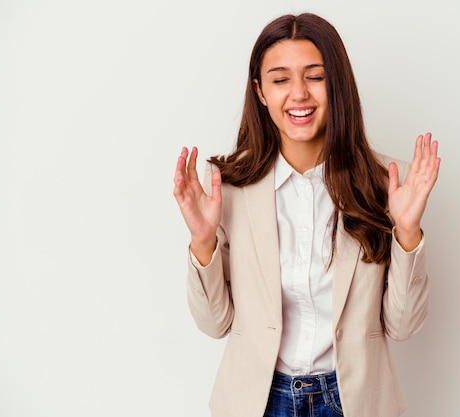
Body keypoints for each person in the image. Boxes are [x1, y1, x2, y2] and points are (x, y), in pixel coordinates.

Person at [173, 12, 440, 417]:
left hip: (354, 402)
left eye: (315, 76)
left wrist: (406, 231)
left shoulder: (388, 184)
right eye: (281, 80)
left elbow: (402, 326)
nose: (298, 94)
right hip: (259, 402)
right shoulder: (225, 189)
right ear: (260, 91)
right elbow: (215, 324)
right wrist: (203, 242)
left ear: (338, 85)